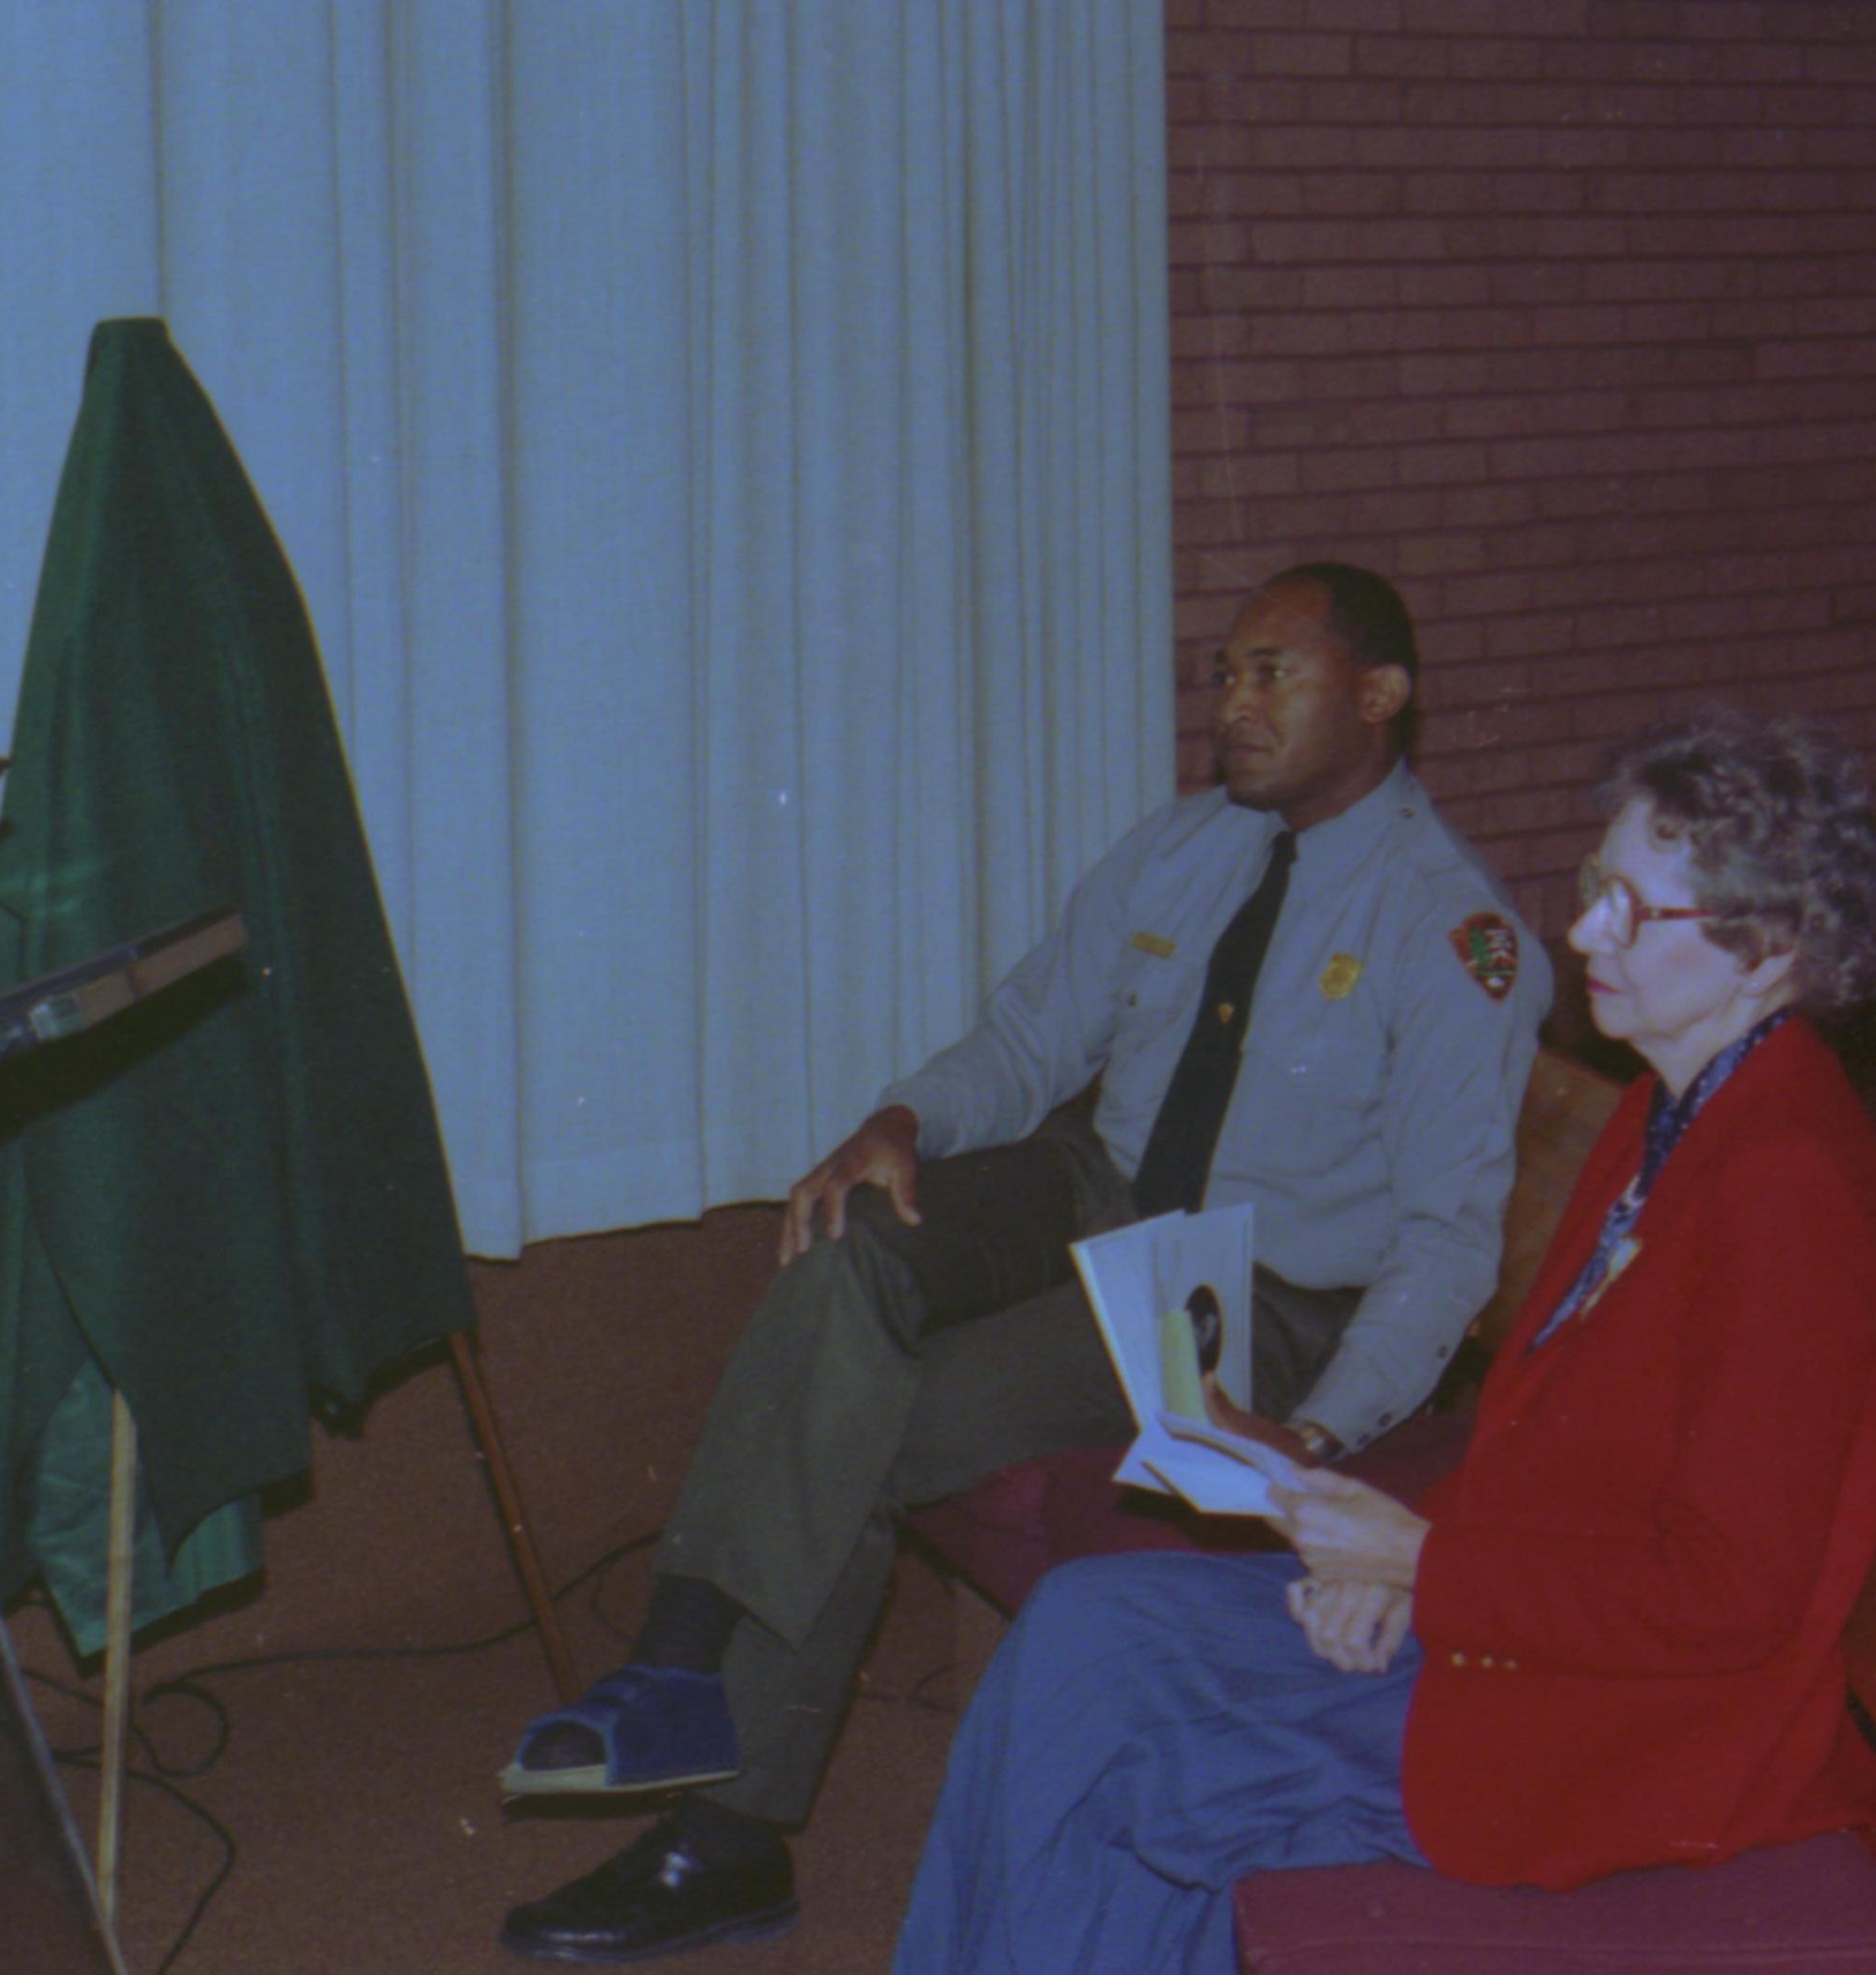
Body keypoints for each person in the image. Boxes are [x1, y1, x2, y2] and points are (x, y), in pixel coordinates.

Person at [500, 563, 1552, 1962]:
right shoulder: (1183, 846)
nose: (1229, 707)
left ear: (1379, 699)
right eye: (1221, 675)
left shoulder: (1448, 934)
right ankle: (675, 1665)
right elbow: (1030, 1041)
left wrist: (1306, 1437)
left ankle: (727, 1835)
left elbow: (1441, 1242)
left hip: (1250, 1296)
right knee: (855, 1238)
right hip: (1098, 1186)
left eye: (1268, 676)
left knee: (867, 1422)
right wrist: (900, 1121)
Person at [894, 708, 1876, 1973]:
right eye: (1594, 887)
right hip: (1525, 1624)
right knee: (1089, 1628)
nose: (1581, 930)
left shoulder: (1787, 1192)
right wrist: (1390, 1568)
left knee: (1128, 1741)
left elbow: (1728, 1601)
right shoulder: (1674, 1108)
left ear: (1765, 951)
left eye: (1630, 911)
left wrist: (1424, 1566)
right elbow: (1551, 1436)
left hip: (1628, 1727)